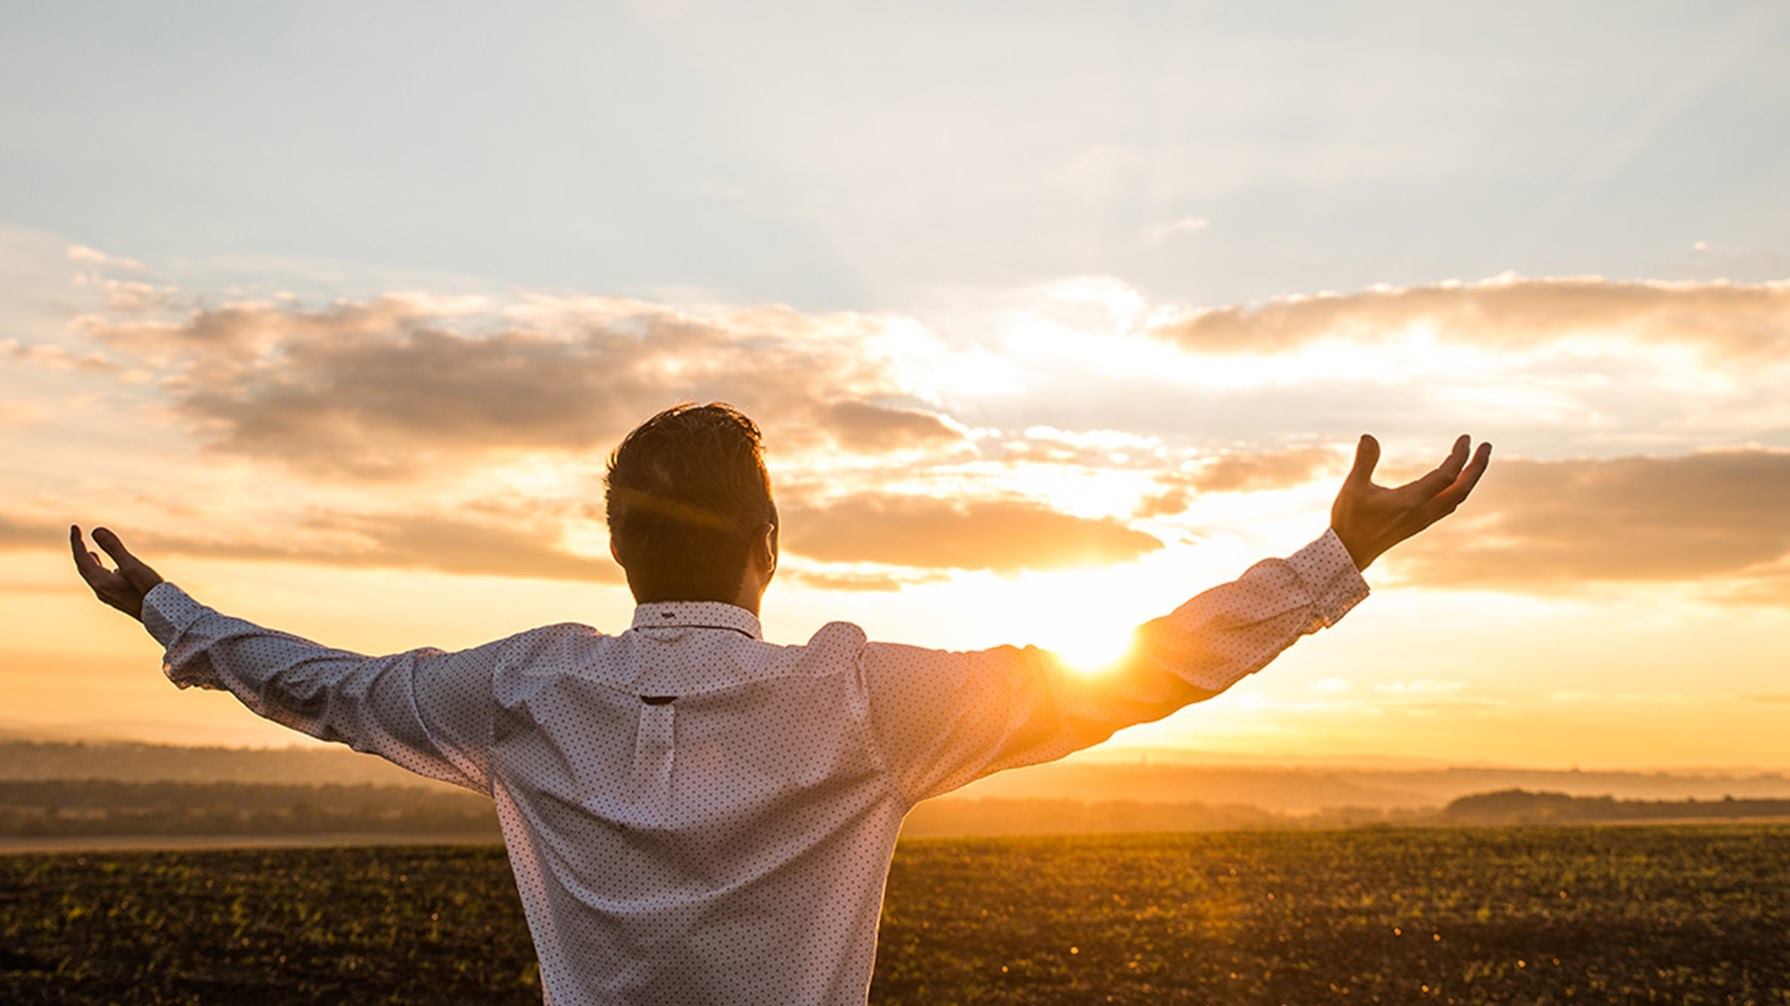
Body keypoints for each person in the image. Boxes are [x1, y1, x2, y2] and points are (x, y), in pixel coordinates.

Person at [70, 403, 1490, 1005]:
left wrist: (161, 608)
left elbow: (315, 684)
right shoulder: (858, 699)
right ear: (768, 551)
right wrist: (1337, 554)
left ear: (620, 550)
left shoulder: (517, 692)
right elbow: (1142, 668)